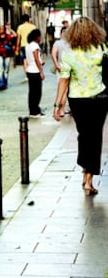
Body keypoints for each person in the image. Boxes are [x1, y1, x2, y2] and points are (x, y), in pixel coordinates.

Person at [53, 16, 108, 196]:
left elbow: (64, 81)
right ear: (94, 31)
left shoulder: (69, 53)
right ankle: (88, 179)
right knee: (95, 136)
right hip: (100, 97)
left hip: (77, 100)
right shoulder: (101, 48)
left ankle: (85, 170)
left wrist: (58, 105)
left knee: (84, 135)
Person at [25, 28, 45, 117]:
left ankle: (32, 110)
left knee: (32, 92)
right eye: (40, 36)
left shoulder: (28, 46)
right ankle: (35, 110)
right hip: (35, 71)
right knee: (37, 92)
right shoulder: (35, 46)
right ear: (37, 37)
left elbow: (31, 59)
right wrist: (41, 71)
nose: (40, 38)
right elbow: (36, 59)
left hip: (29, 70)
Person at [51, 27, 70, 116]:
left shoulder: (57, 43)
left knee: (63, 90)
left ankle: (62, 110)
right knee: (68, 91)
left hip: (61, 69)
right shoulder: (72, 43)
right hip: (70, 68)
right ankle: (65, 109)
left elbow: (53, 54)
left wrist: (57, 65)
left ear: (61, 33)